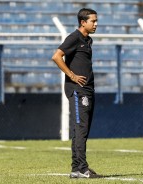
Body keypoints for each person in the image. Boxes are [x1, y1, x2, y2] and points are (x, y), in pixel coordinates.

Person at [52, 8, 99, 179]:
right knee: (80, 129)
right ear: (82, 22)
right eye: (93, 21)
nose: (96, 24)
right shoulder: (74, 38)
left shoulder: (87, 40)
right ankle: (81, 168)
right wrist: (71, 75)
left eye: (96, 20)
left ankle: (77, 168)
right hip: (78, 91)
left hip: (87, 90)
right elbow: (57, 56)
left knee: (82, 129)